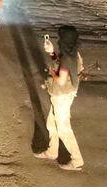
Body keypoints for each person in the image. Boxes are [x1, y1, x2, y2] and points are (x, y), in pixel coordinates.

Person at [35, 25, 85, 171]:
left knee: (63, 129)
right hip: (66, 94)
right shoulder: (74, 54)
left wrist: (51, 72)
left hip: (61, 96)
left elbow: (61, 79)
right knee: (52, 123)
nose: (58, 41)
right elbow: (63, 63)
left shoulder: (68, 58)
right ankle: (52, 151)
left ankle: (77, 160)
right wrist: (51, 53)